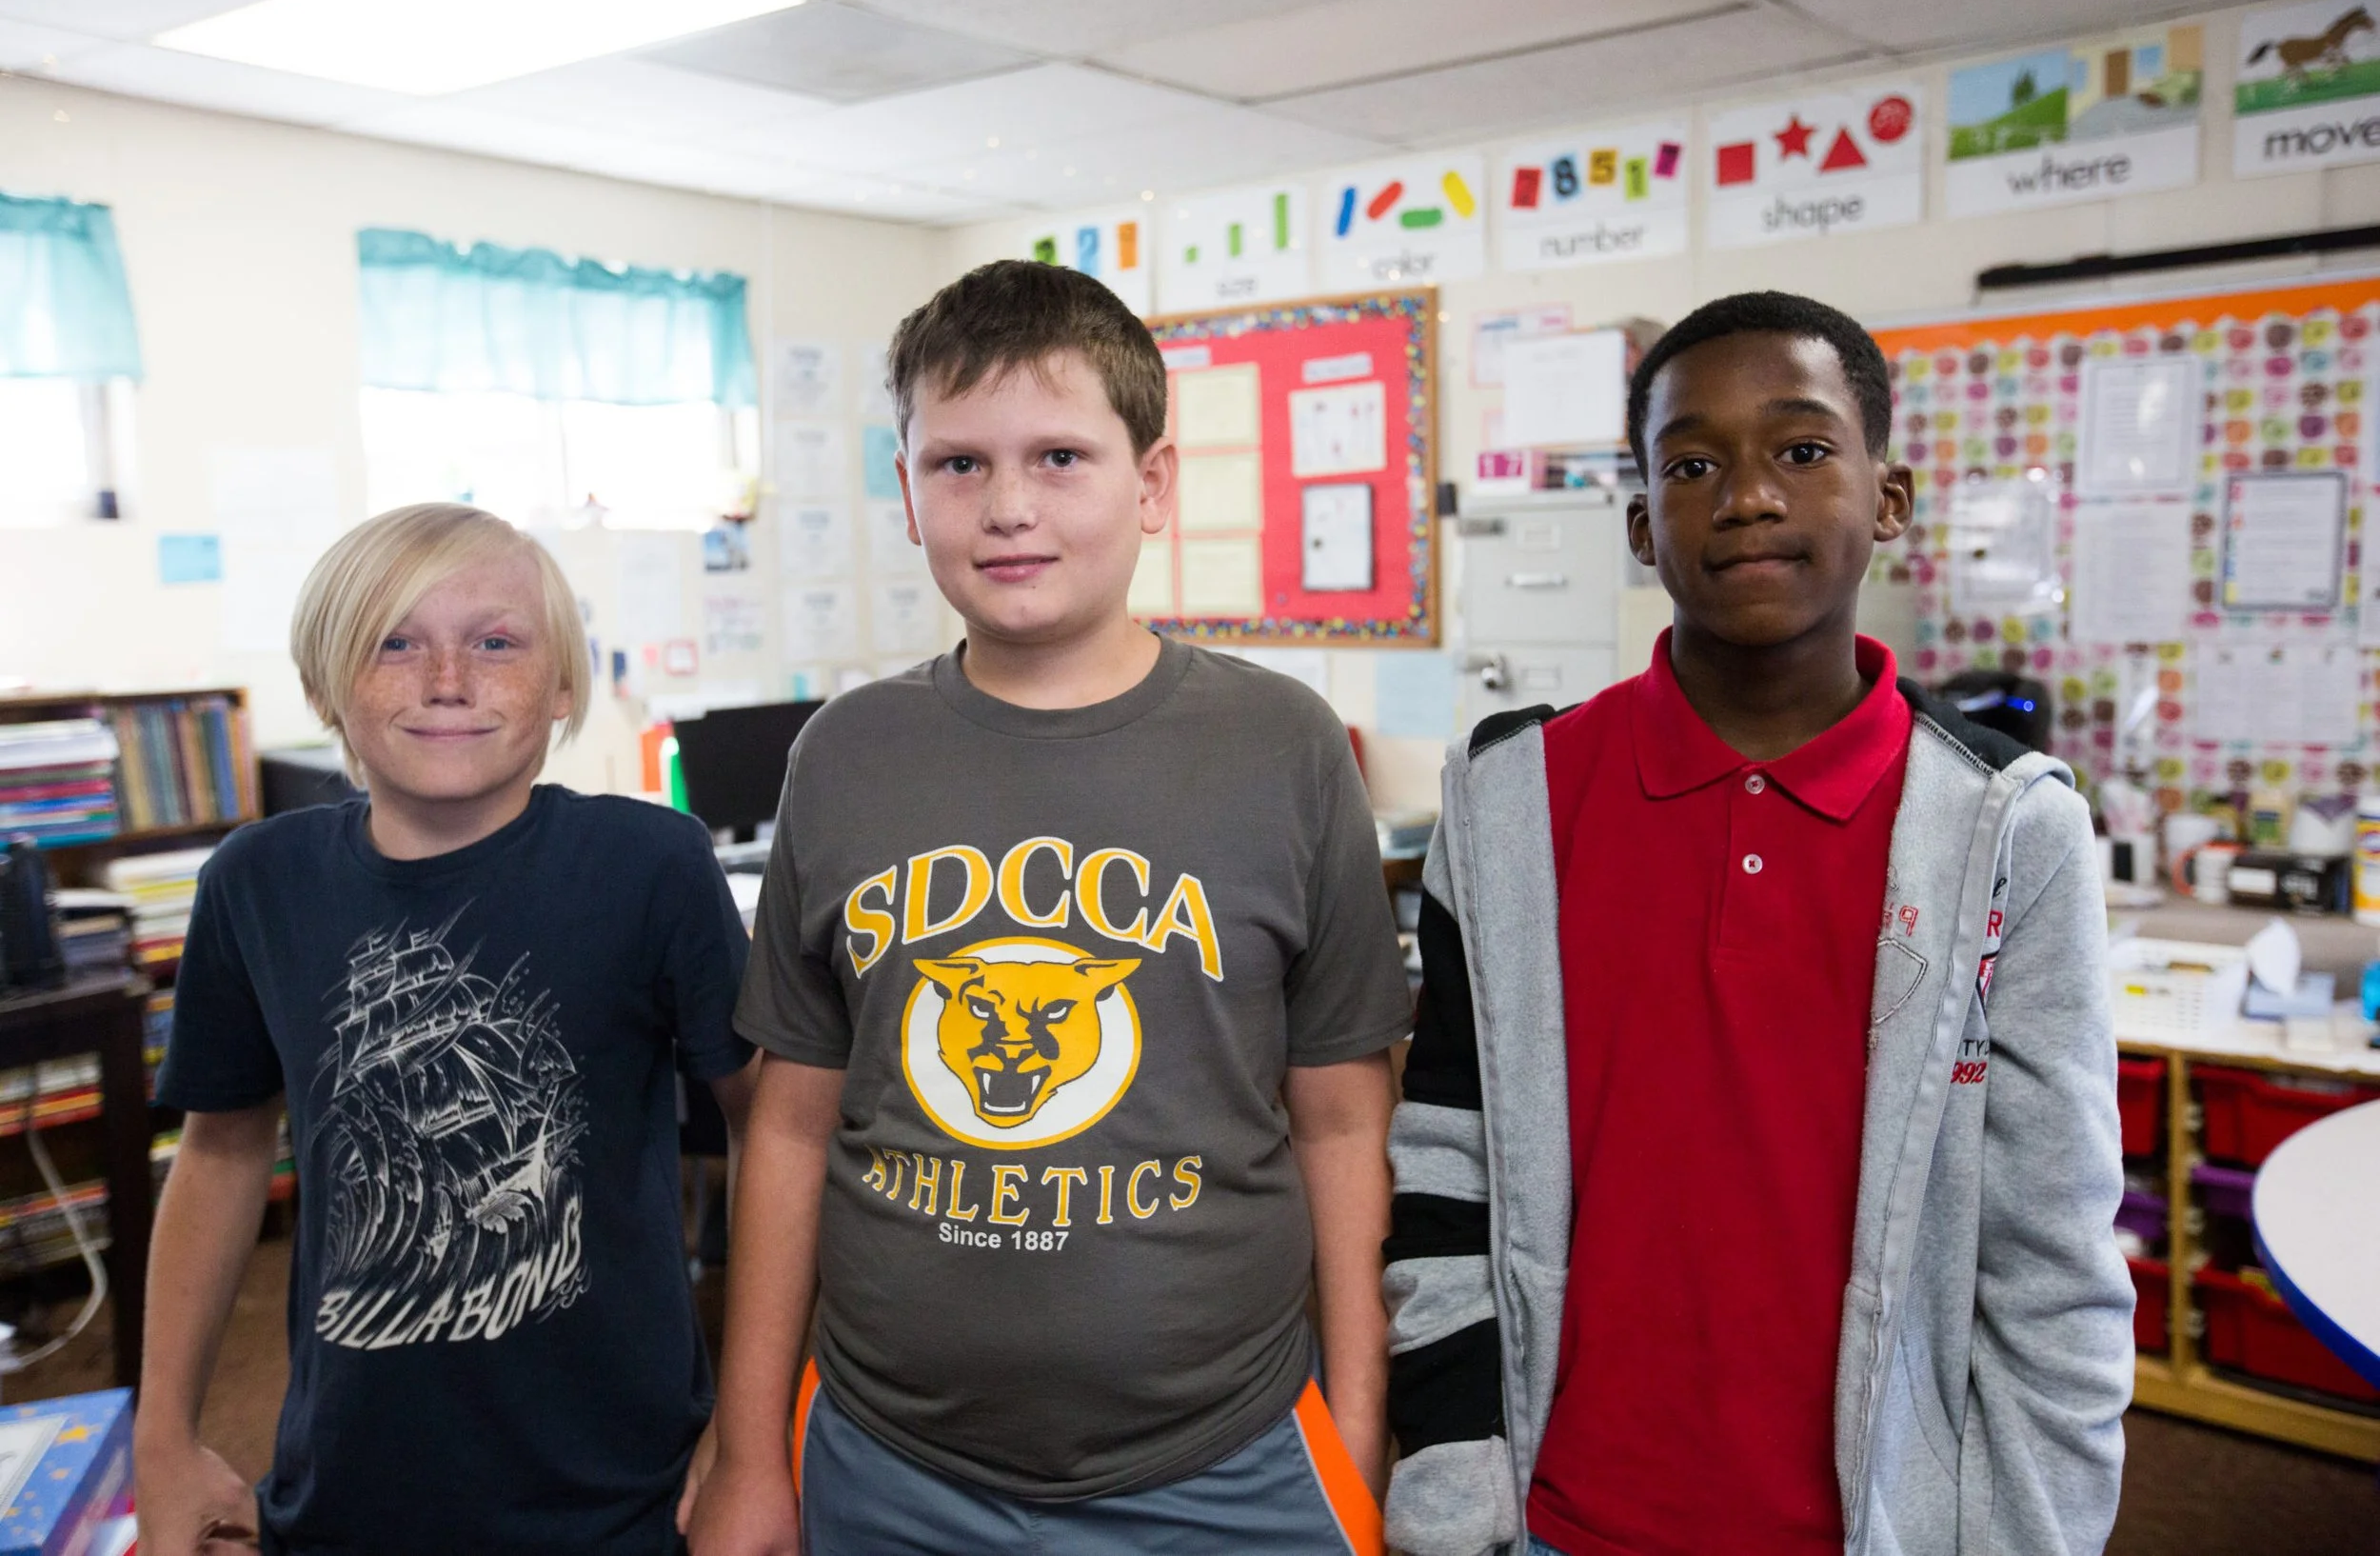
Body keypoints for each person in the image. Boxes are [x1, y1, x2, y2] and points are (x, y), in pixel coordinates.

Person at [1380, 291, 2132, 1556]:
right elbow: (1450, 1166)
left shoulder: (2009, 830)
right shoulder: (1511, 802)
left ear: (1886, 498)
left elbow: (2051, 1257)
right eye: (1691, 465)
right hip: (1557, 1518)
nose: (1746, 496)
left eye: (1801, 447)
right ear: (1641, 524)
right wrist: (1457, 1501)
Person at [687, 259, 1409, 1556]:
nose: (1009, 506)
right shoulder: (844, 754)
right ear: (907, 489)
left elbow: (1345, 1114)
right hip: (888, 1458)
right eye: (958, 463)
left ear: (1154, 482)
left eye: (1060, 456)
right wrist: (748, 1448)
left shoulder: (1283, 747)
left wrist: (1357, 1422)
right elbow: (789, 1122)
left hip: (1228, 1459)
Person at [136, 504, 757, 1556]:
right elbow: (220, 1153)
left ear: (562, 686)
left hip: (627, 1492)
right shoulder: (257, 882)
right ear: (325, 685)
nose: (448, 679)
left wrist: (747, 1431)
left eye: (496, 642)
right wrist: (163, 1439)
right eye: (394, 642)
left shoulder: (652, 863)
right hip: (344, 1492)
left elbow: (769, 1129)